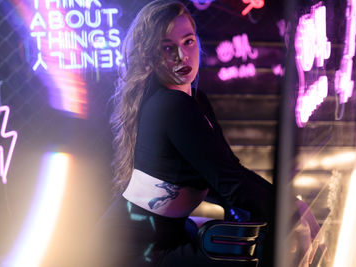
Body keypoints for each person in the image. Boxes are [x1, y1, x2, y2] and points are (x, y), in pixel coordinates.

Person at [87, 1, 277, 266]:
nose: (181, 56)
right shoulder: (171, 106)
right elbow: (231, 183)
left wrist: (280, 204)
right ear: (149, 57)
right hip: (133, 252)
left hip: (165, 238)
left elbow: (228, 174)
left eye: (188, 41)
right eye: (167, 48)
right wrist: (286, 209)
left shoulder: (196, 101)